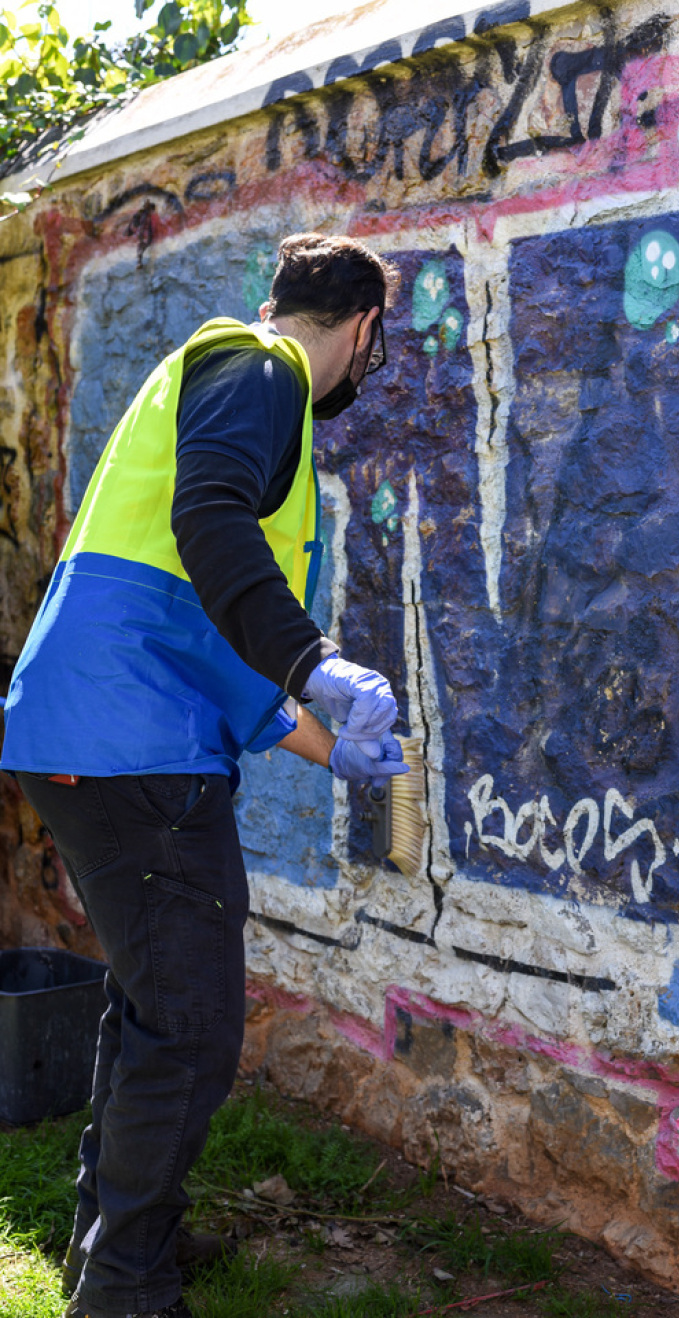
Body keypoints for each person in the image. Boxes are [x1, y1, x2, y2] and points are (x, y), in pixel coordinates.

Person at [0, 233, 408, 1318]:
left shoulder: (212, 378)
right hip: (132, 746)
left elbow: (208, 624)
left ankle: (128, 1238)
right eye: (380, 345)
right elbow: (211, 519)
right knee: (189, 1023)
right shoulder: (260, 372)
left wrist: (334, 749)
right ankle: (124, 1289)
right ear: (363, 327)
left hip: (100, 733)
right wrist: (316, 659)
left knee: (153, 1006)